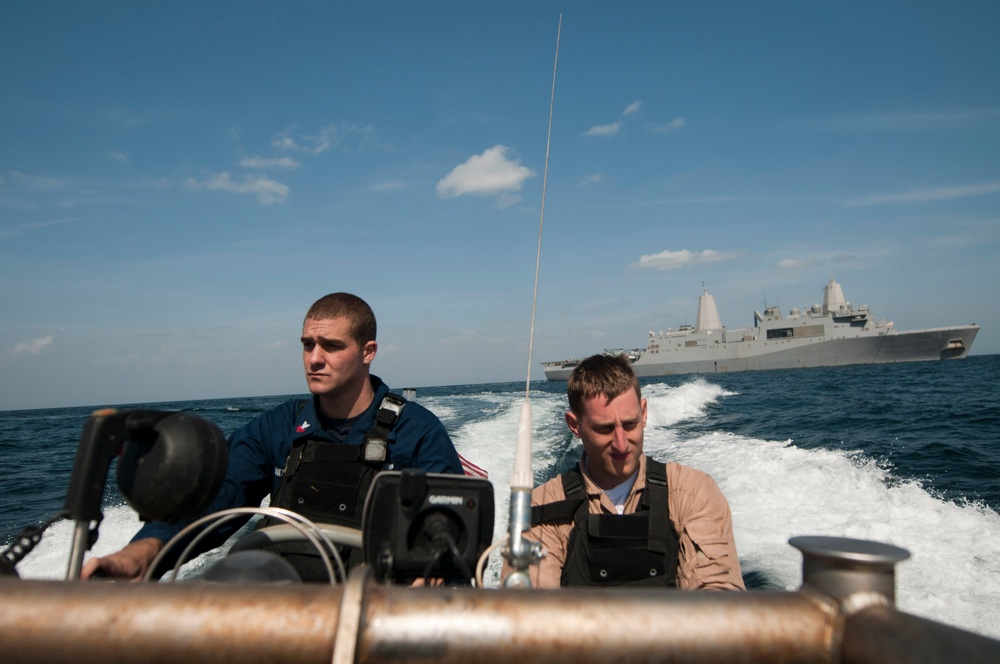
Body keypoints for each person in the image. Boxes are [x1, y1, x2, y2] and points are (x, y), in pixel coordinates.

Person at [82, 292, 463, 581]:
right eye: (307, 345)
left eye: (331, 346)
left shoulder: (417, 431)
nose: (314, 358)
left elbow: (448, 524)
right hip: (282, 606)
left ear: (368, 352)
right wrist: (145, 551)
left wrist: (432, 569)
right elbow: (218, 499)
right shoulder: (276, 428)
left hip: (374, 609)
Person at [503, 354, 744, 590]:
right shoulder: (543, 506)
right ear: (574, 426)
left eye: (630, 424)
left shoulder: (694, 492)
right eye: (604, 429)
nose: (621, 443)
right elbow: (531, 611)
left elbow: (717, 594)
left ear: (644, 413)